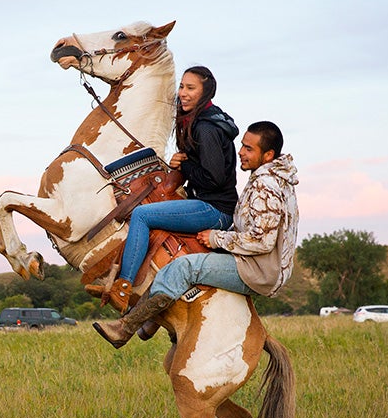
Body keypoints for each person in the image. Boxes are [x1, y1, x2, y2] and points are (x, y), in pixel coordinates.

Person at [93, 121, 298, 348]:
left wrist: (215, 238)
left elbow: (261, 240)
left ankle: (125, 328)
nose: (240, 152)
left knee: (183, 268)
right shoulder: (272, 178)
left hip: (257, 270)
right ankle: (152, 320)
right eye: (242, 145)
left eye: (249, 149)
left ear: (268, 155)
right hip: (257, 263)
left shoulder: (266, 186)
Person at [87, 66, 239, 313]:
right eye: (182, 87)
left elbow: (214, 179)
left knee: (142, 214)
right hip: (207, 202)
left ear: (205, 92)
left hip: (215, 210)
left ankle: (123, 288)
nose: (183, 93)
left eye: (191, 88)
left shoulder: (206, 128)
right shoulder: (200, 120)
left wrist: (186, 164)